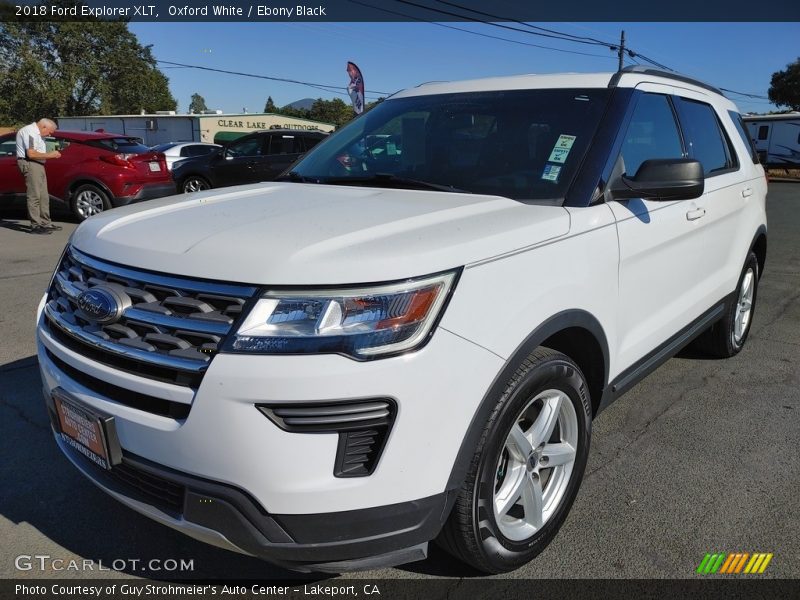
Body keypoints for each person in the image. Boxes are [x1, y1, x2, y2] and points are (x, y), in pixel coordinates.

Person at [16, 118, 62, 234]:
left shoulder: (38, 133)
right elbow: (31, 154)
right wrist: (50, 155)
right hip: (31, 163)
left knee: (44, 196)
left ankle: (45, 223)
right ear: (43, 127)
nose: (50, 134)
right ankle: (35, 225)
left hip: (38, 164)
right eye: (50, 131)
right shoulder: (29, 132)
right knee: (34, 196)